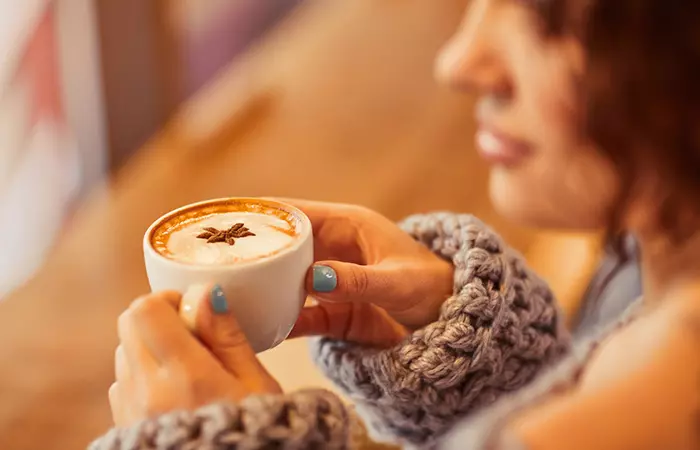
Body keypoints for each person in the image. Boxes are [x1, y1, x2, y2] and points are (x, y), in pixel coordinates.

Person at [92, 0, 700, 448]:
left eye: (550, 16)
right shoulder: (644, 281)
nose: (460, 63)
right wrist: (486, 378)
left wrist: (229, 441)